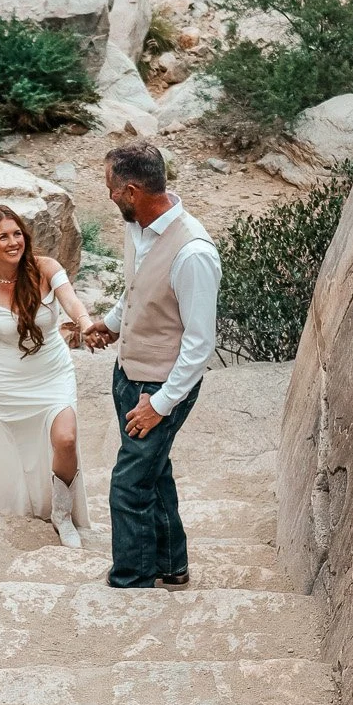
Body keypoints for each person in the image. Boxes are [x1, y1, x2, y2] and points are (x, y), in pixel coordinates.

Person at [83, 142, 220, 589]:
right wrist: (111, 325)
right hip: (129, 373)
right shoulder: (138, 227)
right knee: (153, 472)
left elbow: (199, 345)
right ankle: (171, 566)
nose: (107, 195)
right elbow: (137, 289)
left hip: (160, 387)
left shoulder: (193, 253)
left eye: (110, 187)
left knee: (128, 484)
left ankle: (132, 581)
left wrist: (159, 405)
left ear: (131, 191)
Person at [0, 206, 94, 549]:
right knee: (25, 450)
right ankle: (27, 508)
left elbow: (71, 301)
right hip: (10, 382)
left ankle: (62, 514)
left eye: (17, 233)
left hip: (53, 373)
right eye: (3, 237)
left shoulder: (46, 268)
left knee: (65, 438)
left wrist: (85, 323)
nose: (13, 242)